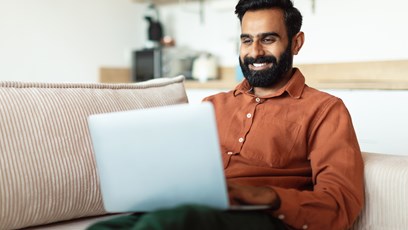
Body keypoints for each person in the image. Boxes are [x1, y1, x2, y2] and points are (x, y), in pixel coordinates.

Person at [89, 0, 364, 229]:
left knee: (172, 221)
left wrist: (262, 195)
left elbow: (339, 203)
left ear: (295, 43)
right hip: (192, 210)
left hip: (259, 217)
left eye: (268, 39)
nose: (255, 52)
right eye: (247, 40)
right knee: (104, 227)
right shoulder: (211, 106)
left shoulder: (325, 110)